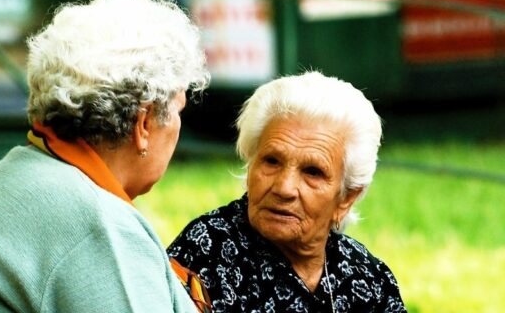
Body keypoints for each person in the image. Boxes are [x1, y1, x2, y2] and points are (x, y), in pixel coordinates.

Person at [0, 0, 211, 312]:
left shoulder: (26, 176)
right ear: (143, 123)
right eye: (179, 109)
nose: (178, 127)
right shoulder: (98, 228)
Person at [168, 71, 407, 312]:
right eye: (272, 161)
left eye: (312, 172)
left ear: (347, 197)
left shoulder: (369, 279)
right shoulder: (205, 252)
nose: (284, 188)